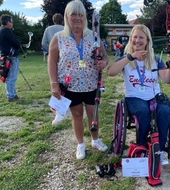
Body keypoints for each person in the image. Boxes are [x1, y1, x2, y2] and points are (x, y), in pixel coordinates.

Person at [107, 24, 170, 165]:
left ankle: (160, 150)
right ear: (130, 39)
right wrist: (131, 56)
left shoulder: (156, 59)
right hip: (134, 98)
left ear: (147, 41)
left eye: (141, 37)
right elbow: (110, 71)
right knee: (143, 111)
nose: (137, 40)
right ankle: (142, 147)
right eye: (135, 37)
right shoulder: (126, 58)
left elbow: (168, 80)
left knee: (164, 110)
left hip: (154, 96)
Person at [48, 0, 109, 160]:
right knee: (76, 115)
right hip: (70, 85)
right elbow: (52, 61)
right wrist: (53, 83)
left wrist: (103, 62)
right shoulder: (59, 38)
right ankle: (80, 144)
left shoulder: (93, 36)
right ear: (67, 17)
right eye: (73, 14)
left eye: (80, 14)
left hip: (91, 84)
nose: (77, 18)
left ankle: (95, 140)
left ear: (85, 17)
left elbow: (104, 56)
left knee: (93, 114)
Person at [42, 13, 65, 125]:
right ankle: (61, 107)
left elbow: (44, 43)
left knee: (54, 81)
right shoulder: (65, 29)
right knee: (65, 81)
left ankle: (58, 108)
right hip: (64, 58)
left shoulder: (48, 29)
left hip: (53, 58)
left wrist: (50, 51)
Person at [0, 14, 21, 102]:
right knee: (11, 77)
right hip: (11, 57)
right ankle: (11, 96)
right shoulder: (6, 30)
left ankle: (13, 94)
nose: (12, 24)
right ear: (8, 22)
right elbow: (17, 44)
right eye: (11, 22)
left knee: (10, 77)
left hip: (4, 57)